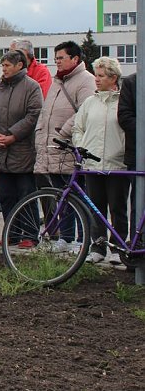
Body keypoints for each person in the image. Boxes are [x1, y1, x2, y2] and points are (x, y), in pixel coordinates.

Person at [0, 50, 43, 248]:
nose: (4, 69)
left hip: (22, 151)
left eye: (7, 65)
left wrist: (12, 135)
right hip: (0, 152)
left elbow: (33, 115)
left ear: (19, 65)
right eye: (2, 66)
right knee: (6, 196)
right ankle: (12, 232)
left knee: (26, 194)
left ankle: (31, 235)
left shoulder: (31, 87)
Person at [72, 57, 128, 265]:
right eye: (96, 74)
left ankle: (118, 247)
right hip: (93, 164)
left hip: (117, 164)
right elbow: (78, 128)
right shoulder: (89, 102)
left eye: (101, 75)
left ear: (114, 78)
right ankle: (98, 246)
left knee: (117, 207)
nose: (97, 79)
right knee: (96, 207)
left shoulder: (124, 101)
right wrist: (81, 147)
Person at [33, 41, 94, 191]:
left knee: (73, 201)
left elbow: (85, 111)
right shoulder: (58, 81)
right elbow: (46, 111)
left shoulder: (86, 80)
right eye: (56, 59)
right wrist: (39, 132)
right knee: (61, 200)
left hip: (68, 149)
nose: (58, 62)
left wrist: (63, 132)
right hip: (52, 150)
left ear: (75, 59)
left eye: (61, 58)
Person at [117, 71, 138, 246]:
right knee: (138, 203)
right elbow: (124, 116)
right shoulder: (132, 82)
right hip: (137, 155)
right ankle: (136, 247)